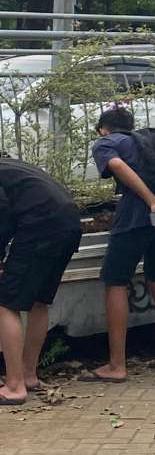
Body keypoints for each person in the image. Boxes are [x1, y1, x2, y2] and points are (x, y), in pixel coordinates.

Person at [81, 107, 155, 383]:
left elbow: (116, 166)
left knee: (115, 282)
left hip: (138, 216)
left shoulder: (107, 142)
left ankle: (117, 366)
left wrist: (151, 200)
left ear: (103, 128)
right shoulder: (150, 141)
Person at [0, 160, 82, 404]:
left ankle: (14, 386)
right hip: (68, 224)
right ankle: (28, 375)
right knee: (38, 301)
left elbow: (1, 209)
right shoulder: (12, 166)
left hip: (40, 226)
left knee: (5, 303)